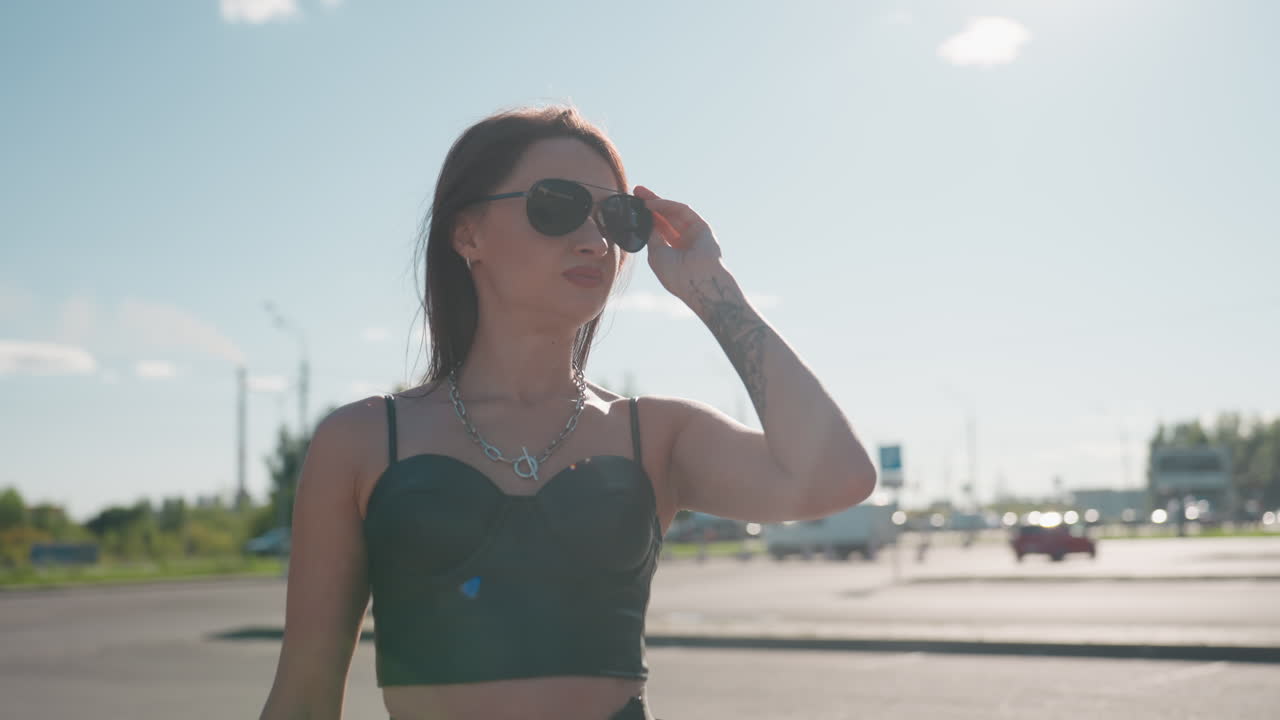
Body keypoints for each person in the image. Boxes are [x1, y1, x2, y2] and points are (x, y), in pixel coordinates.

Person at [257, 104, 878, 720]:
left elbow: (836, 478)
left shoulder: (653, 435)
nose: (593, 240)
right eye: (555, 205)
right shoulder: (364, 440)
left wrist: (710, 287)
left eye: (616, 218)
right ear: (467, 233)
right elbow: (304, 697)